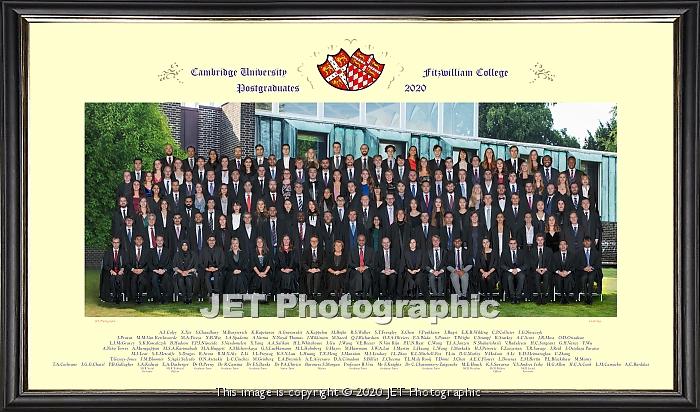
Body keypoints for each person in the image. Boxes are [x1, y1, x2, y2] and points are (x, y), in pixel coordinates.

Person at [198, 235, 225, 300]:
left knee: (216, 276)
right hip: (207, 269)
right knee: (206, 277)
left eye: (213, 240)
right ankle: (210, 293)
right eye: (210, 240)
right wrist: (206, 268)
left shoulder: (220, 249)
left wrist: (216, 268)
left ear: (215, 241)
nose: (211, 242)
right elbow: (200, 262)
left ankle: (216, 293)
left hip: (217, 268)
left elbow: (223, 262)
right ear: (207, 241)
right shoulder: (203, 250)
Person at [500, 238, 527, 304]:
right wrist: (511, 270)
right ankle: (512, 297)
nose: (513, 245)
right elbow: (502, 264)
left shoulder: (522, 252)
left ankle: (517, 297)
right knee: (509, 277)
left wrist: (517, 270)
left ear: (516, 244)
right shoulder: (504, 252)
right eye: (511, 243)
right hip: (509, 271)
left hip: (519, 271)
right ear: (509, 244)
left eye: (514, 243)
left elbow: (526, 264)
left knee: (522, 276)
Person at [100, 237, 127, 303]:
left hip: (120, 271)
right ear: (112, 243)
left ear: (119, 243)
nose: (116, 244)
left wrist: (122, 269)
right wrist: (111, 271)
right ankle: (114, 296)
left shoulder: (123, 252)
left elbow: (126, 263)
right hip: (110, 271)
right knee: (112, 279)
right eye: (114, 242)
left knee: (119, 279)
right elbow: (105, 265)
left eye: (117, 242)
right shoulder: (107, 252)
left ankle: (119, 296)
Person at [348, 234, 374, 300]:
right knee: (358, 275)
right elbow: (350, 263)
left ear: (365, 241)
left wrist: (365, 267)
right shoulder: (352, 250)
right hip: (355, 269)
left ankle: (364, 295)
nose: (361, 242)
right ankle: (358, 295)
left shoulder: (371, 250)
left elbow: (373, 262)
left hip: (367, 269)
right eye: (360, 240)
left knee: (367, 277)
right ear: (357, 241)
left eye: (363, 240)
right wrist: (357, 268)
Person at [530, 233, 553, 304]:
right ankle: (539, 296)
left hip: (546, 270)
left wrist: (545, 269)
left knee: (546, 276)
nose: (540, 241)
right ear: (536, 241)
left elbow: (551, 262)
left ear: (544, 240)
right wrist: (537, 269)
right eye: (538, 240)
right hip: (536, 270)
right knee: (537, 276)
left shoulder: (549, 250)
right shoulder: (532, 250)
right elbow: (530, 262)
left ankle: (544, 296)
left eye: (541, 240)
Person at [578, 236, 602, 305]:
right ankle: (586, 297)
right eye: (585, 241)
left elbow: (598, 264)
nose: (587, 242)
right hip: (583, 271)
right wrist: (584, 268)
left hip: (593, 271)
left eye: (588, 241)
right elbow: (577, 264)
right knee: (584, 278)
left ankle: (590, 297)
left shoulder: (596, 252)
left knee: (591, 278)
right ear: (583, 242)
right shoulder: (579, 253)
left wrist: (592, 267)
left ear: (591, 242)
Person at [127, 235, 151, 304]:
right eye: (137, 239)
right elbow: (127, 262)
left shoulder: (147, 250)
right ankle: (134, 298)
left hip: (143, 271)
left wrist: (142, 269)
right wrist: (133, 269)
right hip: (132, 271)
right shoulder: (130, 250)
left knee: (141, 278)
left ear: (143, 241)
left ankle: (140, 297)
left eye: (140, 239)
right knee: (134, 278)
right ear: (134, 241)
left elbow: (149, 263)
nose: (139, 240)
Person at [150, 235, 172, 304]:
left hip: (164, 271)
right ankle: (158, 298)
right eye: (158, 240)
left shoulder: (167, 251)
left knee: (166, 278)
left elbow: (170, 263)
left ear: (163, 241)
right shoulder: (151, 251)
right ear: (155, 241)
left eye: (161, 240)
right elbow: (149, 263)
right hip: (155, 271)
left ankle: (165, 298)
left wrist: (164, 270)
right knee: (154, 279)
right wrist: (156, 270)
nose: (159, 242)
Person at [552, 239, 575, 304]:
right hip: (558, 274)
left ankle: (567, 296)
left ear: (567, 246)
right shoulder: (555, 255)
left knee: (568, 279)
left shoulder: (572, 255)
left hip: (568, 273)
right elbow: (553, 266)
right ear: (559, 246)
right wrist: (559, 272)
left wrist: (567, 272)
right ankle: (562, 297)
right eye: (561, 244)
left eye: (564, 244)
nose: (563, 246)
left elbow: (573, 266)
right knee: (559, 279)